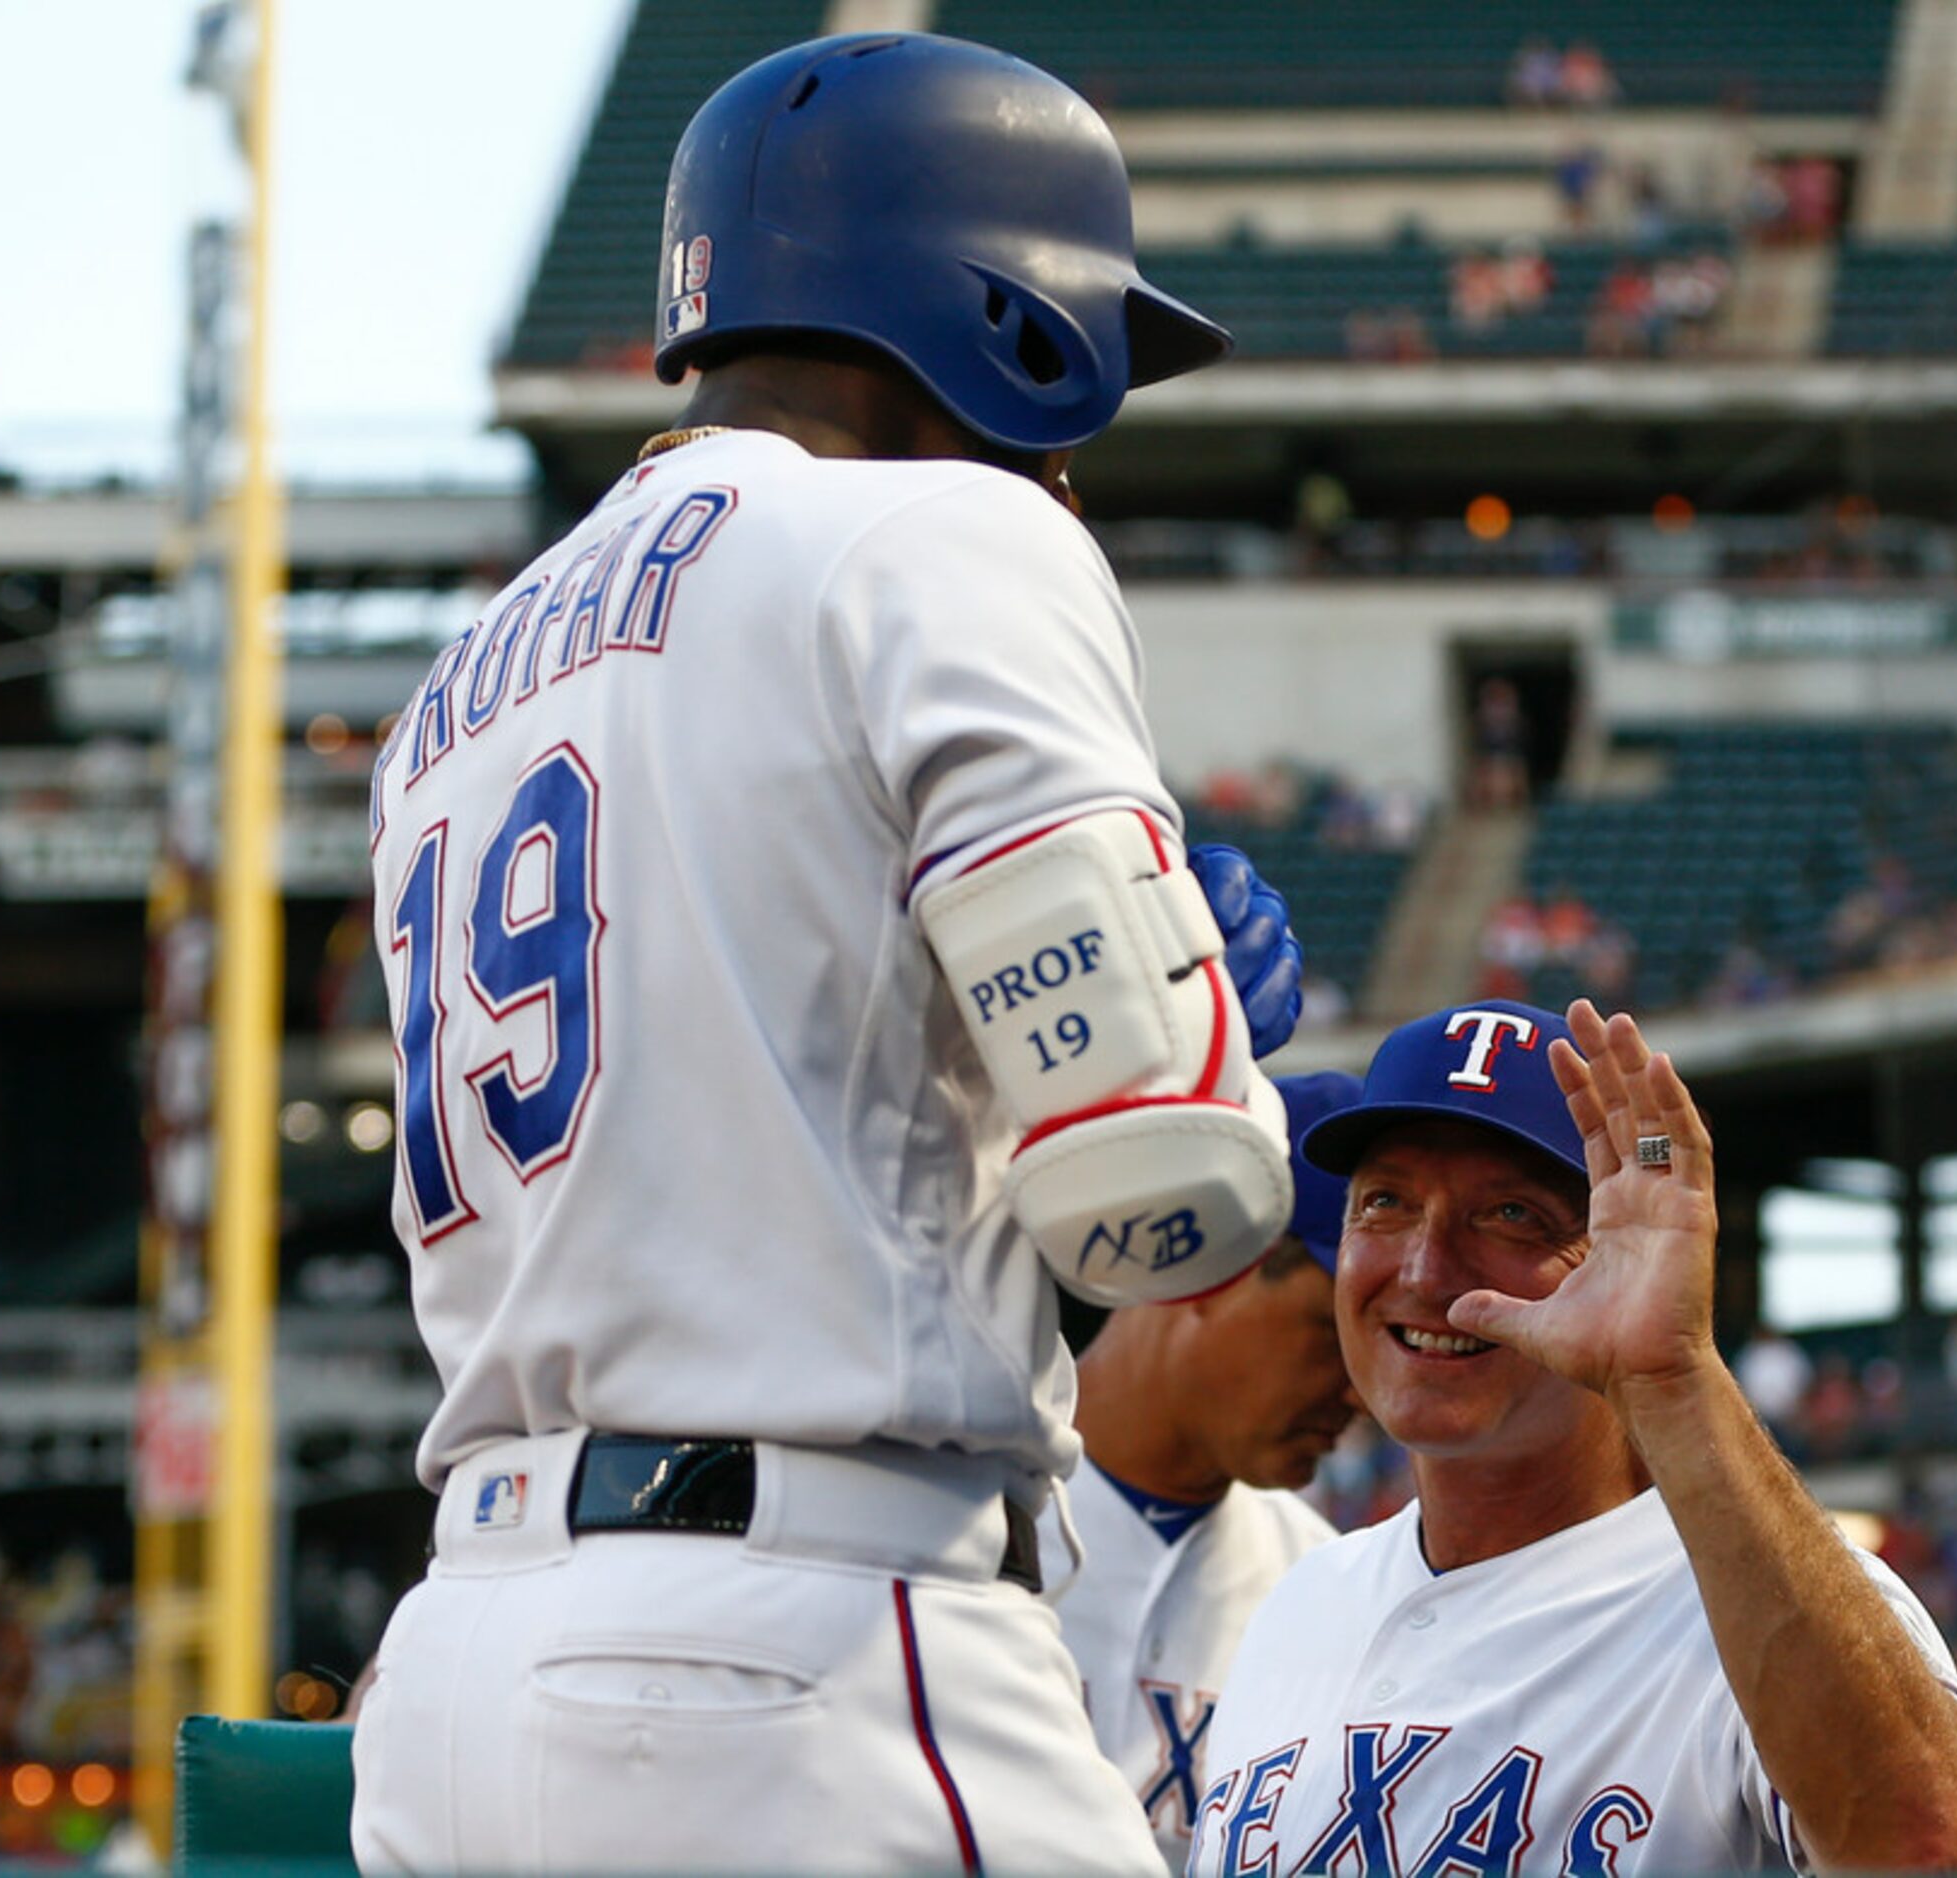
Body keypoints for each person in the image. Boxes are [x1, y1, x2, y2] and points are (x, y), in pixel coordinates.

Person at [350, 33, 1305, 1876]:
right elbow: (1167, 1202)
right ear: (1007, 321)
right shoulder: (943, 529)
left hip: (460, 1667)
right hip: (798, 1648)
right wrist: (1210, 1053)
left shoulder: (451, 691)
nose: (1074, 450)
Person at [1189, 999, 1957, 1876]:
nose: (1425, 1272)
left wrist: (1671, 1375)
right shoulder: (1298, 1605)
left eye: (1509, 1216)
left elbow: (1919, 1853)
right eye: (1384, 1202)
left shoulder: (1767, 1600)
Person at [1044, 1071, 1368, 1871]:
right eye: (1333, 1334)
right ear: (1205, 1263)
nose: (1366, 1393)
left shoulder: (1325, 1590)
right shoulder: (945, 1513)